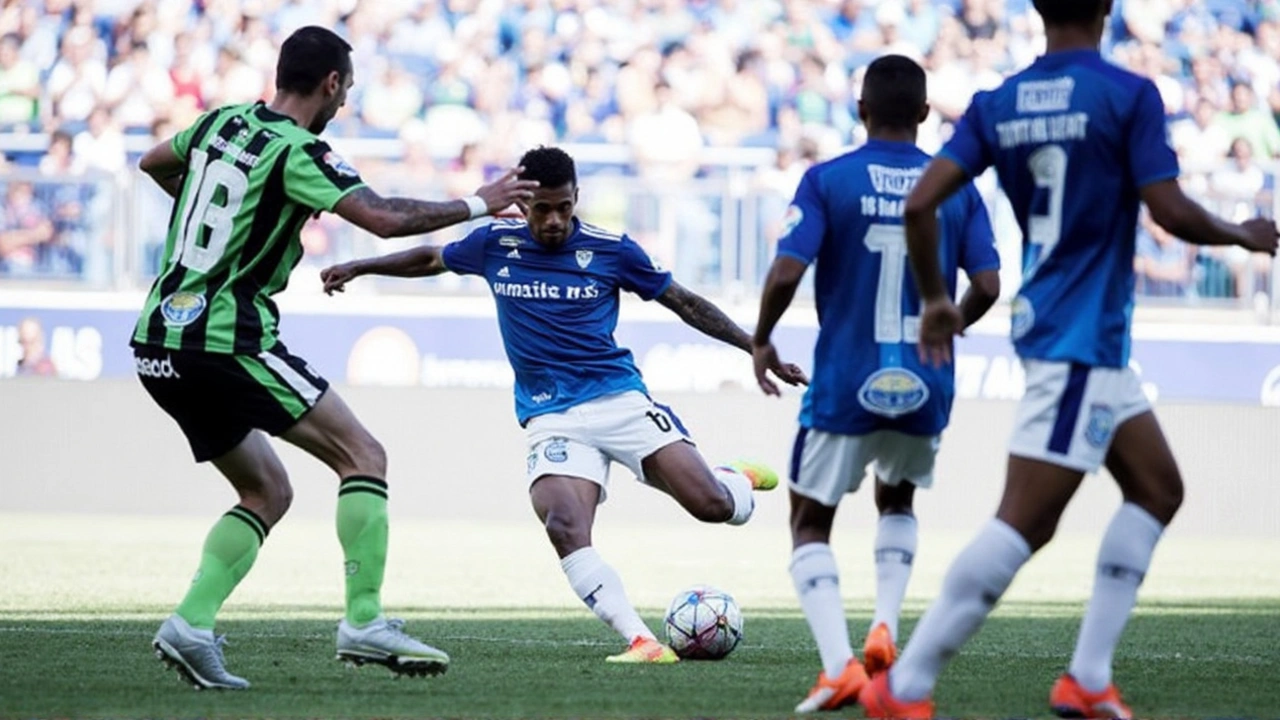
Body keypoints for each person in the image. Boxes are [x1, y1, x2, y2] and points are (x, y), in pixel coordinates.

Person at [859, 2, 1280, 718]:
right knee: (1024, 520)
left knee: (1157, 489)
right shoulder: (1127, 93)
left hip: (1068, 330)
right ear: (1108, 8)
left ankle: (1087, 677)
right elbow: (1169, 209)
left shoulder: (1001, 101)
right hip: (1079, 340)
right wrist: (1243, 234)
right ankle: (903, 688)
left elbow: (921, 204)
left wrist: (936, 296)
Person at [131, 26, 537, 690]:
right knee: (363, 456)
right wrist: (477, 203)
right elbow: (380, 216)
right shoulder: (301, 151)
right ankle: (365, 622)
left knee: (267, 490)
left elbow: (153, 163)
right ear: (331, 85)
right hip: (225, 337)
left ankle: (190, 625)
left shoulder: (221, 123)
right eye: (346, 91)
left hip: (157, 339)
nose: (344, 104)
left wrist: (225, 213)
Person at [320, 145, 808, 663]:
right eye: (541, 209)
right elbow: (430, 258)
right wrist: (362, 265)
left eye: (564, 208)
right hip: (551, 416)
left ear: (577, 199)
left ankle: (733, 479)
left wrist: (756, 345)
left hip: (619, 399)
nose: (553, 221)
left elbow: (684, 302)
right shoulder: (494, 243)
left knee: (713, 507)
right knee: (564, 526)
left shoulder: (612, 249)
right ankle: (641, 641)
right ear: (523, 202)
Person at [749, 55, 1001, 714]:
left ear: (860, 110)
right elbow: (990, 284)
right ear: (924, 114)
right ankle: (885, 622)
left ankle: (839, 668)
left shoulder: (828, 179)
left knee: (809, 521)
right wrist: (946, 326)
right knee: (898, 501)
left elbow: (783, 273)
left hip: (845, 381)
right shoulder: (958, 187)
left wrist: (763, 337)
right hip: (924, 382)